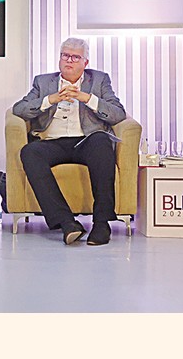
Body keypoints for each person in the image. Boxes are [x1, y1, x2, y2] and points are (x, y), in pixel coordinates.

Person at [12, 37, 127, 246]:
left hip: (86, 141)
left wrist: (87, 98)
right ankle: (67, 224)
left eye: (76, 57)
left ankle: (102, 224)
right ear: (59, 59)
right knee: (30, 152)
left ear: (85, 63)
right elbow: (18, 109)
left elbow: (118, 114)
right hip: (53, 142)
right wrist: (50, 100)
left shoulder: (99, 80)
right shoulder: (43, 82)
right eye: (65, 55)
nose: (69, 61)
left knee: (101, 142)